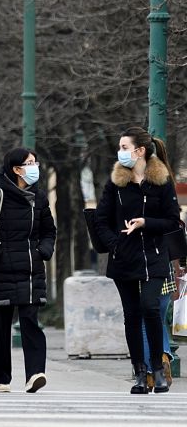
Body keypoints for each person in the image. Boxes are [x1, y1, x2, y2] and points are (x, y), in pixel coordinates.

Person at [94, 126, 180, 394]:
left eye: (124, 147)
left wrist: (146, 223)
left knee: (150, 307)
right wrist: (115, 244)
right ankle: (140, 373)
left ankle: (158, 369)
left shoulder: (162, 182)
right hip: (124, 258)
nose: (120, 152)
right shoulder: (116, 183)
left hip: (155, 256)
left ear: (140, 151)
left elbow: (173, 221)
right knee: (131, 315)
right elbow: (100, 219)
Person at [0, 148, 56, 394]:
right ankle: (1, 377)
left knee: (31, 322)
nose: (34, 166)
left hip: (31, 270)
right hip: (2, 271)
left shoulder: (39, 198)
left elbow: (49, 230)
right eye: (29, 163)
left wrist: (44, 251)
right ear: (16, 169)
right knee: (2, 327)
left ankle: (35, 373)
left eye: (35, 162)